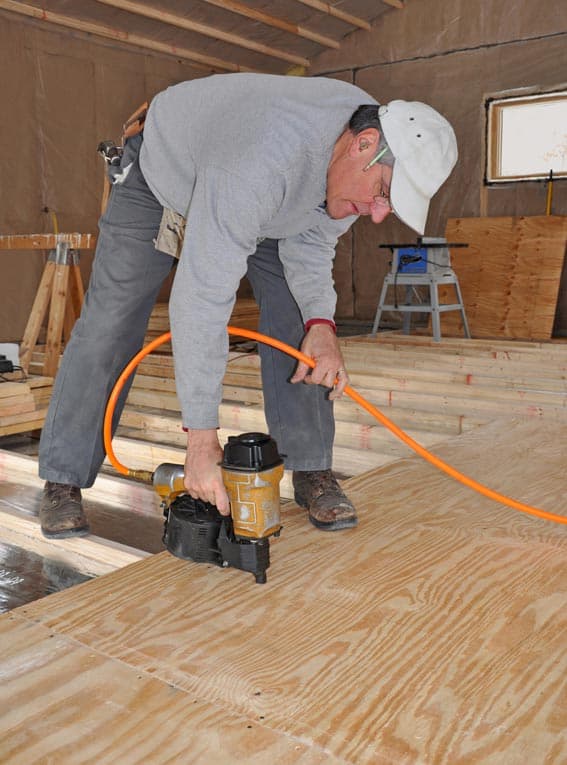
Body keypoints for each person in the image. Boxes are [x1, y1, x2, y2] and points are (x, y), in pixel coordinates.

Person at [37, 73, 457, 539]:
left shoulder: (354, 155)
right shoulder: (261, 159)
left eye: (389, 206)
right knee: (110, 322)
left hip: (266, 201)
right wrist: (200, 440)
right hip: (162, 179)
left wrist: (321, 323)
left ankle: (312, 468)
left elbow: (312, 248)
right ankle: (64, 479)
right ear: (364, 144)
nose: (378, 213)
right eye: (382, 193)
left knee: (301, 319)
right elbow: (201, 296)